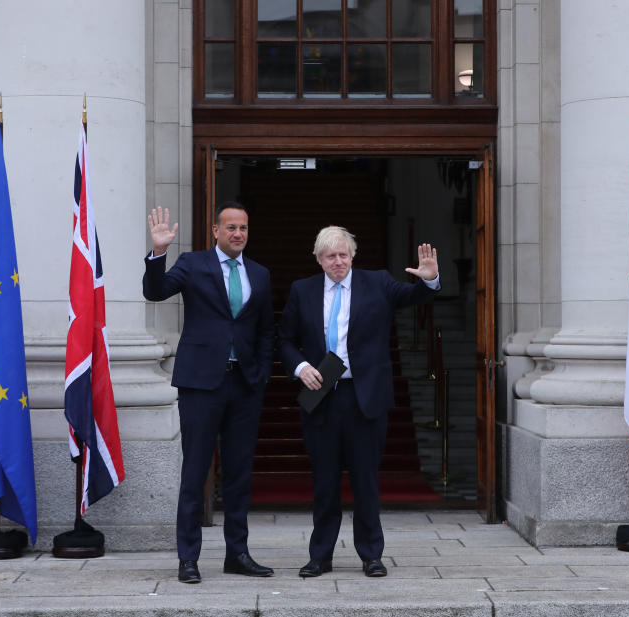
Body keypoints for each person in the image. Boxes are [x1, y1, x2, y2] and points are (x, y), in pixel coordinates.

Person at [278, 226, 439, 578]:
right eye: (331, 256)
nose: (339, 262)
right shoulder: (302, 291)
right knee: (324, 482)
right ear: (319, 260)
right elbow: (284, 338)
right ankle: (320, 556)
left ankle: (371, 555)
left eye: (344, 255)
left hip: (363, 397)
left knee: (366, 480)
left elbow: (414, 298)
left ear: (352, 256)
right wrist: (301, 366)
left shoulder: (377, 282)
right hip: (321, 397)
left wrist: (428, 280)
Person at [143, 202, 275, 584]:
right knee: (195, 471)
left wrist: (262, 374)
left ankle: (238, 553)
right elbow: (155, 292)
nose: (237, 234)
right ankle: (188, 558)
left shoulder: (260, 274)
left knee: (239, 474)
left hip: (244, 385)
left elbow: (267, 329)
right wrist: (158, 253)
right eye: (230, 227)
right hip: (201, 384)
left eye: (244, 228)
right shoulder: (192, 263)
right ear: (215, 231)